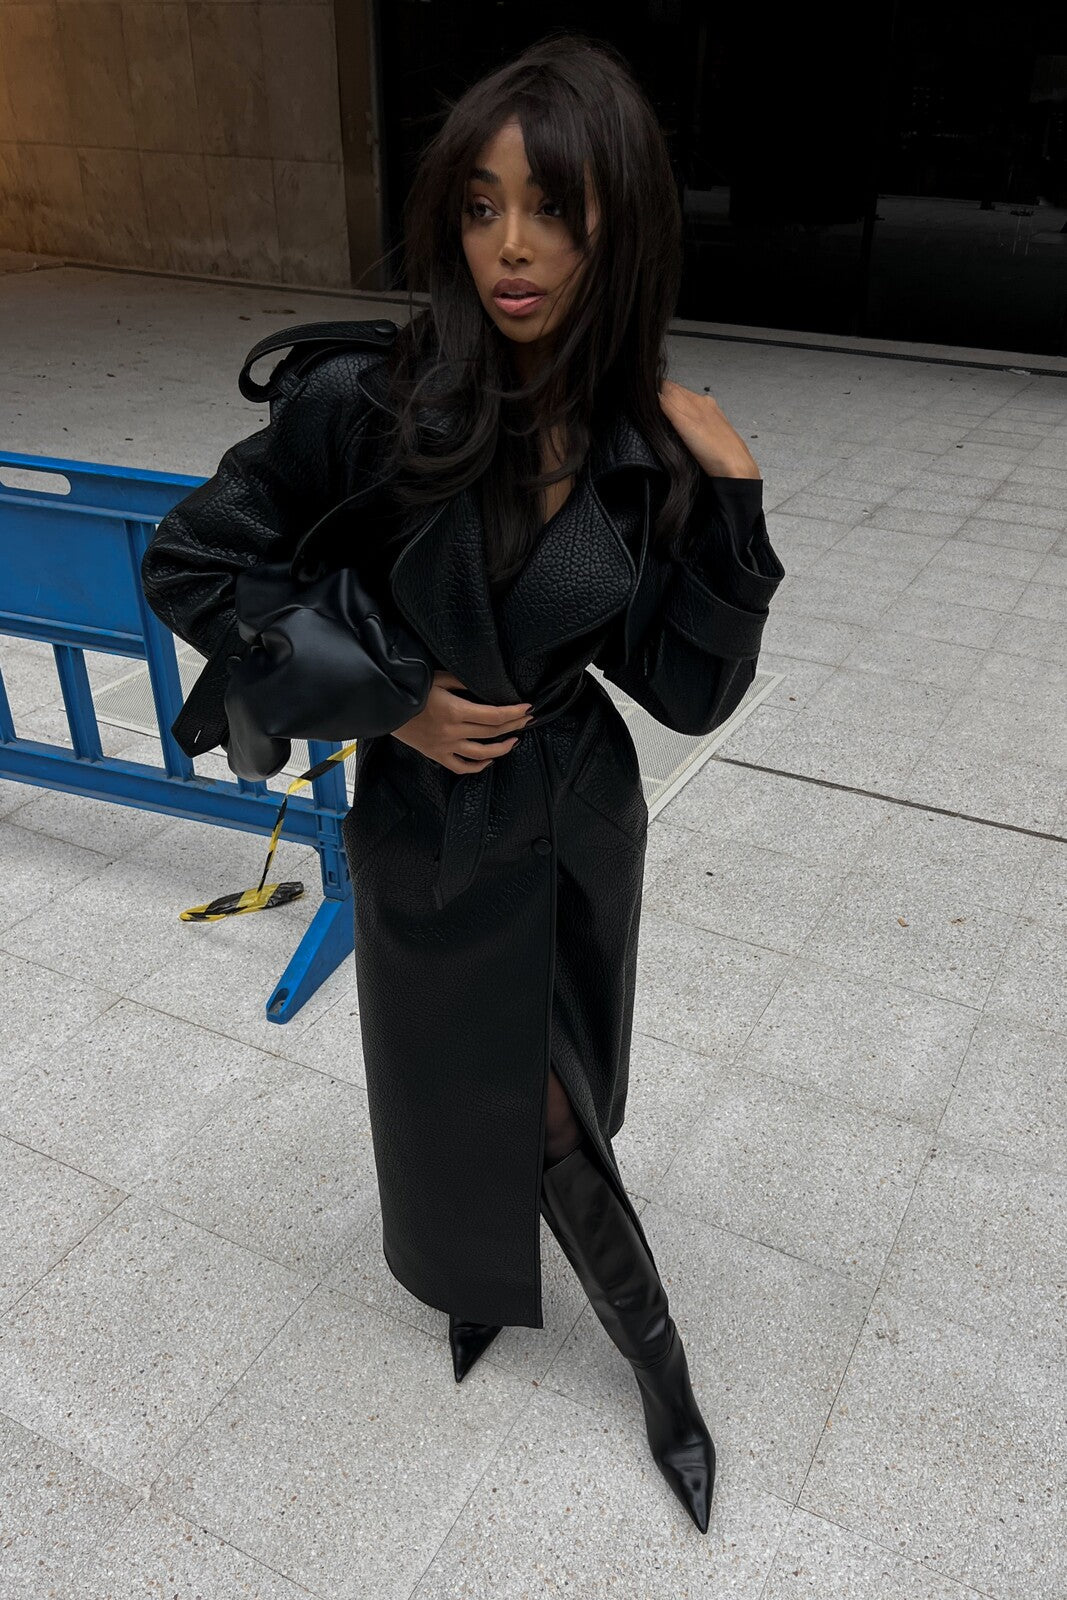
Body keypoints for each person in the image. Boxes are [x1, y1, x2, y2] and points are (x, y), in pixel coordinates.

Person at [140, 32, 785, 1537]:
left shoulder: (643, 445)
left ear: (618, 227)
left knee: (555, 1090)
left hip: (575, 816)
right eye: (484, 206)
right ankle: (664, 1382)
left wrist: (734, 506)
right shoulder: (369, 405)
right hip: (432, 827)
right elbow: (194, 560)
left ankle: (507, 1298)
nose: (513, 246)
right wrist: (393, 698)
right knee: (491, 1101)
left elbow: (687, 692)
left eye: (554, 210)